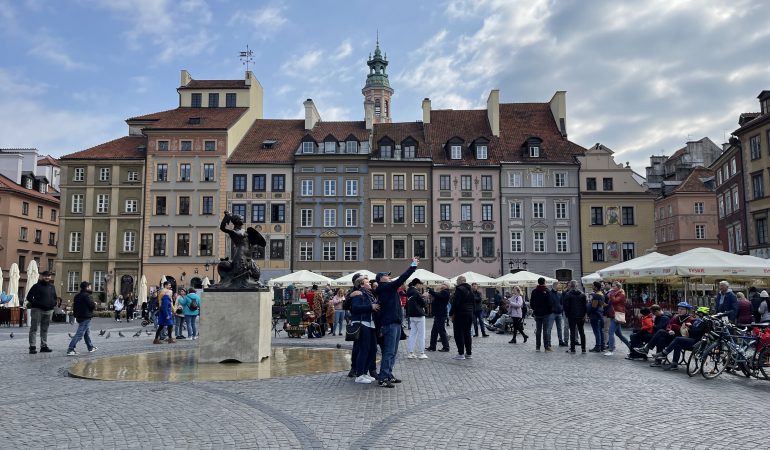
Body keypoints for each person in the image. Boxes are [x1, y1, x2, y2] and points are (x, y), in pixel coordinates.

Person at [374, 259, 418, 387]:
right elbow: (402, 278)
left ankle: (388, 375)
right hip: (390, 323)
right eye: (387, 275)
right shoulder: (386, 287)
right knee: (389, 351)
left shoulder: (387, 288)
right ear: (381, 279)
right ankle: (382, 378)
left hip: (395, 322)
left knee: (392, 352)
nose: (389, 277)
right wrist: (412, 266)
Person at [654, 306, 711, 371]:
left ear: (703, 314)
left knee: (678, 339)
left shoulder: (705, 322)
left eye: (699, 314)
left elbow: (697, 332)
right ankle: (674, 364)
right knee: (677, 343)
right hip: (691, 339)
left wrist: (690, 326)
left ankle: (664, 353)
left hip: (697, 342)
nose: (697, 315)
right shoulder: (698, 321)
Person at [349, 275, 380, 384]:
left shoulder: (369, 294)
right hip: (362, 323)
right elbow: (355, 308)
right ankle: (359, 375)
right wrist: (371, 307)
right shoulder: (359, 293)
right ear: (361, 284)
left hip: (370, 324)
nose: (369, 284)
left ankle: (364, 372)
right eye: (367, 282)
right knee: (364, 349)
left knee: (372, 349)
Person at [26, 270, 57, 354]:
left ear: (50, 277)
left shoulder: (52, 287)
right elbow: (29, 297)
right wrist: (38, 304)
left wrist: (54, 303)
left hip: (48, 310)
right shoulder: (36, 286)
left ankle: (43, 346)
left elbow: (54, 297)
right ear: (42, 276)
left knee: (45, 329)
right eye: (45, 276)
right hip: (37, 310)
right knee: (34, 328)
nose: (47, 277)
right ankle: (32, 346)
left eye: (48, 276)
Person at [67, 281, 98, 356]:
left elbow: (75, 306)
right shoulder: (87, 296)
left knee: (86, 333)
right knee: (80, 334)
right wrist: (95, 304)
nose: (91, 288)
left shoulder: (77, 296)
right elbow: (91, 306)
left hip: (79, 316)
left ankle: (90, 347)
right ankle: (70, 349)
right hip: (85, 317)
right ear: (87, 287)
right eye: (90, 287)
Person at [450, 275, 476, 360]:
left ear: (461, 281)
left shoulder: (459, 289)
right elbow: (473, 303)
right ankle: (468, 353)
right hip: (469, 314)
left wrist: (451, 313)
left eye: (457, 280)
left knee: (458, 334)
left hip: (460, 314)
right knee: (467, 333)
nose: (456, 282)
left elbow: (455, 303)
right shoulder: (471, 290)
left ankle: (460, 353)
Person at [605, 281, 631, 356]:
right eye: (612, 286)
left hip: (617, 315)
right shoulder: (614, 293)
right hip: (613, 315)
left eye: (614, 286)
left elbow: (615, 301)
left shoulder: (621, 294)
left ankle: (611, 350)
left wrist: (611, 295)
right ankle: (631, 347)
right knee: (619, 334)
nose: (612, 287)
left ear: (618, 287)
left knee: (610, 332)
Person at [405, 278, 428, 359]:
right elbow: (423, 303)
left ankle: (410, 353)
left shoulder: (408, 291)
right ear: (417, 284)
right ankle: (422, 353)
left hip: (411, 315)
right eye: (420, 284)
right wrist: (424, 297)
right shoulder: (416, 292)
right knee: (421, 335)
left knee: (412, 334)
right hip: (419, 315)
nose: (420, 285)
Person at [562, 280, 586, 353]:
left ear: (570, 286)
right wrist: (584, 314)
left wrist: (567, 314)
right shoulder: (582, 294)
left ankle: (573, 349)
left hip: (571, 316)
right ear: (576, 285)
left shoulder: (568, 294)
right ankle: (583, 349)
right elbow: (585, 306)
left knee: (572, 332)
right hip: (580, 316)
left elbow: (565, 306)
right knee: (581, 332)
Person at [426, 283, 451, 352]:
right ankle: (432, 346)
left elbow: (437, 295)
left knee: (441, 331)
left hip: (441, 315)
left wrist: (430, 290)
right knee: (434, 331)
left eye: (443, 285)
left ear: (446, 287)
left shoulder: (445, 292)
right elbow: (437, 295)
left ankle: (446, 347)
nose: (441, 285)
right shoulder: (442, 292)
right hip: (438, 314)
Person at [530, 277, 553, 352]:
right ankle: (546, 347)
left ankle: (537, 347)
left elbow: (531, 303)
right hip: (546, 314)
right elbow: (550, 303)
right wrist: (549, 311)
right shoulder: (547, 291)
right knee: (545, 330)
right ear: (544, 282)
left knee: (538, 330)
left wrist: (535, 309)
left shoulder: (534, 291)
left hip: (537, 313)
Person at [587, 281, 606, 353]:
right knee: (600, 331)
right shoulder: (602, 294)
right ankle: (602, 346)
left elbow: (594, 306)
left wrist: (589, 305)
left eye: (593, 285)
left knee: (597, 331)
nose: (592, 286)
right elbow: (602, 304)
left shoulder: (596, 295)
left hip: (595, 315)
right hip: (600, 314)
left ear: (595, 287)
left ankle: (598, 346)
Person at [547, 282, 567, 347]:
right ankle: (548, 342)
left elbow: (562, 303)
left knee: (559, 328)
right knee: (549, 328)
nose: (560, 286)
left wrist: (561, 308)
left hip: (559, 313)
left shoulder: (559, 294)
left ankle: (560, 341)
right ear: (555, 286)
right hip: (551, 313)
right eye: (559, 285)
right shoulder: (549, 294)